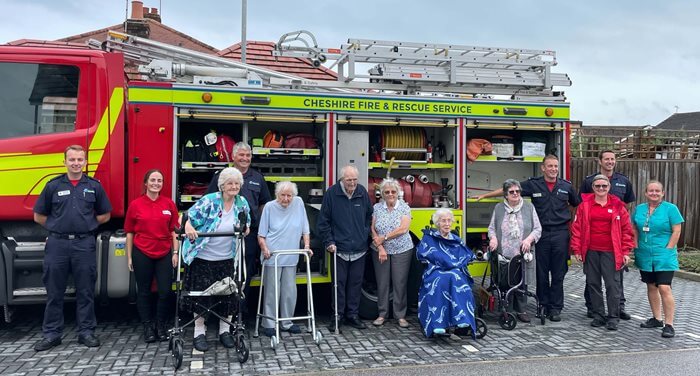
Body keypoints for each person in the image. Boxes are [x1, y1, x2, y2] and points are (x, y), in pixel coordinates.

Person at [474, 155, 579, 321]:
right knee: (542, 272)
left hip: (560, 233)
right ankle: (543, 305)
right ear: (543, 168)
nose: (553, 169)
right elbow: (509, 188)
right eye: (550, 166)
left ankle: (556, 308)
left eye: (556, 166)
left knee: (559, 273)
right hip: (541, 236)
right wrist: (484, 196)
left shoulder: (566, 186)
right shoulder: (534, 184)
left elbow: (576, 204)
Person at [32, 145, 112, 351]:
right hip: (57, 244)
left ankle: (86, 332)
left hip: (84, 244)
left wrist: (87, 225)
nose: (76, 163)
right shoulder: (53, 185)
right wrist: (55, 227)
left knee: (85, 291)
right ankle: (52, 334)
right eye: (72, 159)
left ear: (85, 162)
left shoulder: (94, 186)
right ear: (64, 161)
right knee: (54, 292)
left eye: (80, 159)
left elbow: (105, 214)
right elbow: (39, 216)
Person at [183, 167, 251, 352]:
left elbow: (247, 224)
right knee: (202, 296)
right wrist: (188, 227)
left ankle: (224, 331)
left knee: (228, 295)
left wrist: (245, 229)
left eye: (237, 183)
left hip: (227, 257)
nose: (234, 186)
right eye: (230, 183)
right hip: (204, 256)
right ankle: (199, 332)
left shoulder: (242, 202)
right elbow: (188, 217)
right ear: (222, 185)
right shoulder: (209, 200)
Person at [207, 142, 271, 316]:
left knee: (245, 274)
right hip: (224, 236)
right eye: (241, 155)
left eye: (248, 155)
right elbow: (209, 201)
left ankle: (238, 315)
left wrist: (258, 223)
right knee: (224, 274)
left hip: (249, 236)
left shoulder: (258, 177)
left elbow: (265, 203)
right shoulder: (221, 176)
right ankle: (221, 314)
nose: (245, 158)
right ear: (233, 157)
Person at [571, 175, 635, 331]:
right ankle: (599, 315)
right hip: (591, 250)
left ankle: (613, 316)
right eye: (597, 186)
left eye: (604, 186)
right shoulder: (584, 205)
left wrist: (626, 251)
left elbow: (627, 230)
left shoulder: (618, 205)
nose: (601, 189)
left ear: (609, 187)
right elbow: (577, 229)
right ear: (593, 187)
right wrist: (577, 249)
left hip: (612, 252)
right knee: (593, 284)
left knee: (613, 285)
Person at [124, 169, 179, 343]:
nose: (156, 183)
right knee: (144, 292)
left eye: (160, 181)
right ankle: (148, 326)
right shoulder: (136, 205)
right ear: (146, 183)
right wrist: (129, 257)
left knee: (165, 291)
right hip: (142, 251)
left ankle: (160, 325)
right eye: (153, 180)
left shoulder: (169, 204)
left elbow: (174, 231)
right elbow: (130, 233)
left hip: (163, 252)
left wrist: (175, 252)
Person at [579, 150, 636, 320]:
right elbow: (582, 211)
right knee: (593, 280)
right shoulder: (589, 181)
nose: (610, 162)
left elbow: (626, 209)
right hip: (593, 245)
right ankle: (594, 309)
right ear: (600, 161)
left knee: (615, 281)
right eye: (607, 159)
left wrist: (625, 248)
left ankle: (617, 309)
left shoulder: (623, 181)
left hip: (613, 244)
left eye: (612, 159)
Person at [317, 165, 373, 333]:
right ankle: (337, 316)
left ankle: (353, 315)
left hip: (359, 248)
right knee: (338, 284)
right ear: (342, 179)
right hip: (338, 249)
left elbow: (369, 216)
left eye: (355, 179)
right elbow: (323, 221)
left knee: (355, 284)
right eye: (349, 180)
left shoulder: (362, 192)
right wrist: (329, 242)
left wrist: (364, 235)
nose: (352, 183)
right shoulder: (332, 194)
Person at [258, 181, 311, 337]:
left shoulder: (299, 203)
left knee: (289, 291)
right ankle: (269, 323)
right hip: (273, 254)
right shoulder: (269, 207)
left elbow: (305, 228)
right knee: (271, 291)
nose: (286, 199)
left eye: (289, 195)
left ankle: (286, 322)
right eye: (283, 195)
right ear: (276, 195)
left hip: (291, 253)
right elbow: (261, 234)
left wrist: (306, 245)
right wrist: (264, 249)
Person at [631, 181, 684, 338]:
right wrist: (635, 246)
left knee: (664, 287)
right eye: (651, 191)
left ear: (663, 193)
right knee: (651, 286)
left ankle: (669, 324)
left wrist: (669, 248)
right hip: (645, 254)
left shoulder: (671, 209)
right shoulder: (640, 209)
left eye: (657, 191)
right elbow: (634, 228)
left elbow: (677, 230)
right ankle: (656, 318)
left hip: (664, 255)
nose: (654, 193)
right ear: (646, 193)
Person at [486, 179, 542, 323]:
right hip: (503, 252)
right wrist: (493, 239)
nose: (515, 194)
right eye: (512, 192)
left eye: (518, 191)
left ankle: (521, 310)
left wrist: (529, 240)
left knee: (521, 282)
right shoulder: (499, 208)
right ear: (505, 194)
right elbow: (492, 228)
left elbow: (537, 228)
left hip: (522, 252)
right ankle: (507, 310)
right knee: (504, 282)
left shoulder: (529, 207)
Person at [417, 209, 477, 337]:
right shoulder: (429, 238)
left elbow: (466, 254)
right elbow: (424, 253)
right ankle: (438, 324)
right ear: (437, 223)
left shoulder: (455, 239)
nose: (447, 224)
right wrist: (446, 262)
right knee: (441, 280)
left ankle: (462, 320)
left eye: (449, 220)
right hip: (436, 270)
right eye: (443, 221)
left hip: (454, 270)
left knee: (457, 279)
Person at [370, 178, 413, 329]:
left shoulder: (404, 208)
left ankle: (400, 316)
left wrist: (385, 237)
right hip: (380, 250)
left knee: (399, 283)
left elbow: (403, 229)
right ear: (382, 193)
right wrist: (380, 245)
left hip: (402, 249)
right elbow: (372, 228)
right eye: (386, 192)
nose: (390, 194)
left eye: (393, 191)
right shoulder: (376, 208)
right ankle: (382, 314)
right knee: (382, 282)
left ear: (398, 193)